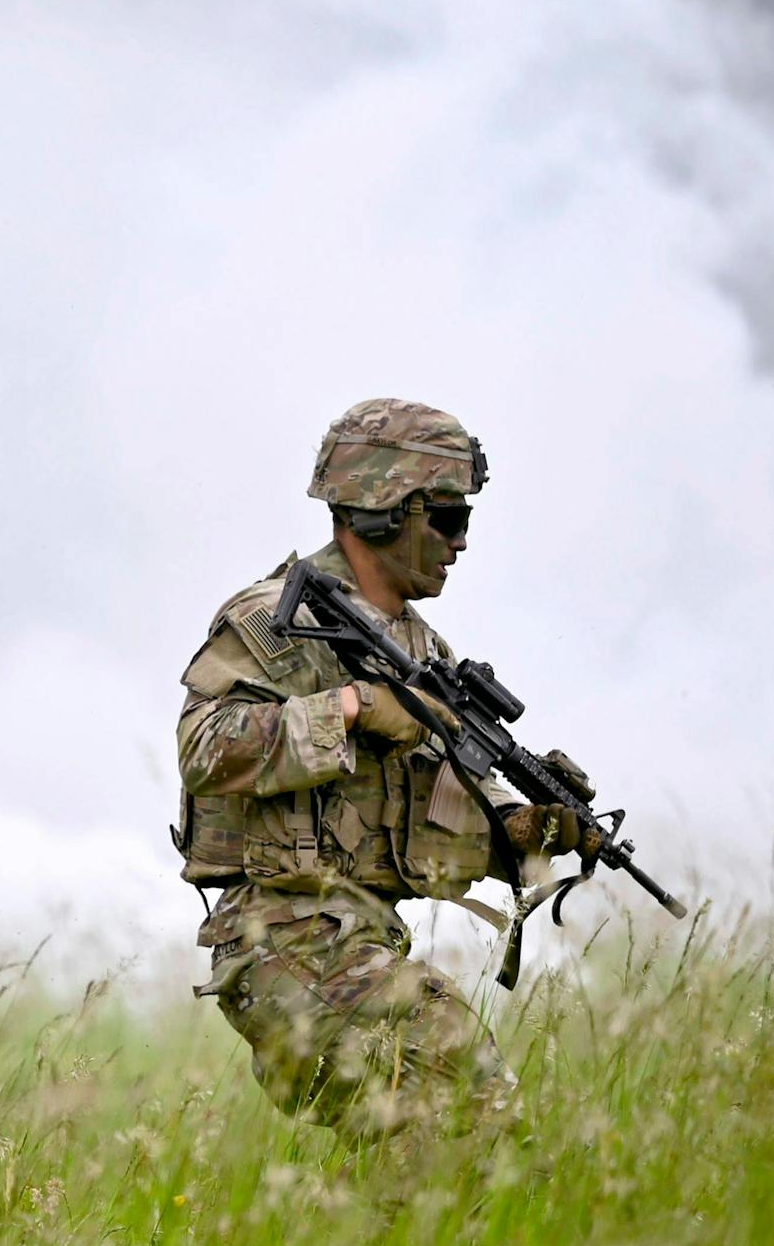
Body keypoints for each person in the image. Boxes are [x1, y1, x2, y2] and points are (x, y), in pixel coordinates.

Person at [174, 400, 596, 1165]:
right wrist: (354, 706)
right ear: (383, 510)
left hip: (354, 942)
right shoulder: (276, 621)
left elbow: (428, 811)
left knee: (450, 1152)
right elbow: (205, 749)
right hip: (282, 939)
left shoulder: (420, 645)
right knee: (468, 1089)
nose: (461, 543)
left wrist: (527, 831)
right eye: (445, 518)